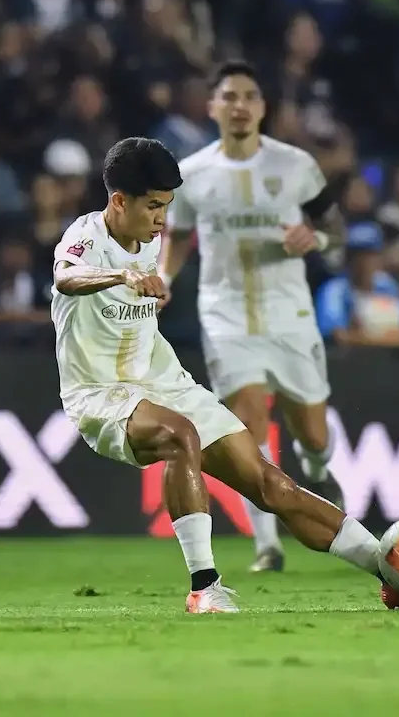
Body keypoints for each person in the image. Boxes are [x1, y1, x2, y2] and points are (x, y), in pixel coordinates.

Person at [51, 136, 399, 614]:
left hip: (163, 380)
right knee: (179, 436)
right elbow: (66, 276)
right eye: (154, 207)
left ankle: (392, 574)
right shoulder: (84, 237)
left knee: (274, 486)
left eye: (167, 206)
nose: (162, 219)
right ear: (119, 201)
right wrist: (119, 277)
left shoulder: (150, 236)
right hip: (99, 393)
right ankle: (204, 588)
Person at [159, 60, 344, 574]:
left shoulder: (295, 165)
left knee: (313, 432)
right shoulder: (191, 174)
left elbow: (335, 227)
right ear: (212, 106)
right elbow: (176, 237)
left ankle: (317, 468)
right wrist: (164, 281)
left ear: (262, 108)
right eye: (229, 96)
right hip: (225, 315)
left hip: (290, 313)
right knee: (246, 421)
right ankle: (268, 545)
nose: (239, 105)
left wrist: (319, 238)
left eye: (249, 96)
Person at [315, 221, 399, 353]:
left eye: (372, 254)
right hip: (352, 365)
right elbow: (339, 337)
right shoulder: (334, 290)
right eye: (359, 255)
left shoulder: (386, 285)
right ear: (348, 258)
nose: (366, 261)